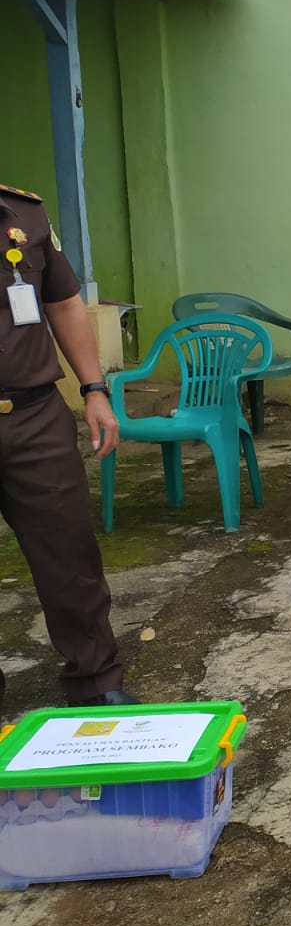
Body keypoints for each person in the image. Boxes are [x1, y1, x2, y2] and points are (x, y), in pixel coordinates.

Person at [0, 182, 133, 709]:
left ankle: (96, 682)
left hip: (34, 417)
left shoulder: (24, 215)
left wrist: (94, 389)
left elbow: (64, 304)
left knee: (69, 556)